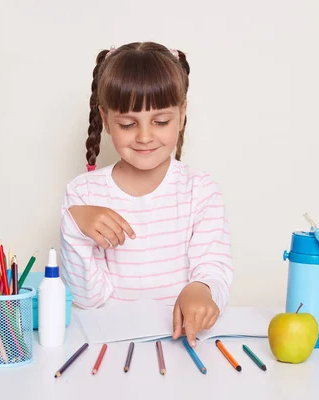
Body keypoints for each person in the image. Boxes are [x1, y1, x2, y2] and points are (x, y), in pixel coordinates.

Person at [59, 42, 233, 347]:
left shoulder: (200, 190)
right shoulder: (84, 193)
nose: (144, 136)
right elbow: (88, 300)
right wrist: (74, 228)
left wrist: (202, 287)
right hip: (112, 346)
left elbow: (214, 266)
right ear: (106, 119)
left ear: (182, 114)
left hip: (184, 343)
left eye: (161, 121)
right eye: (128, 123)